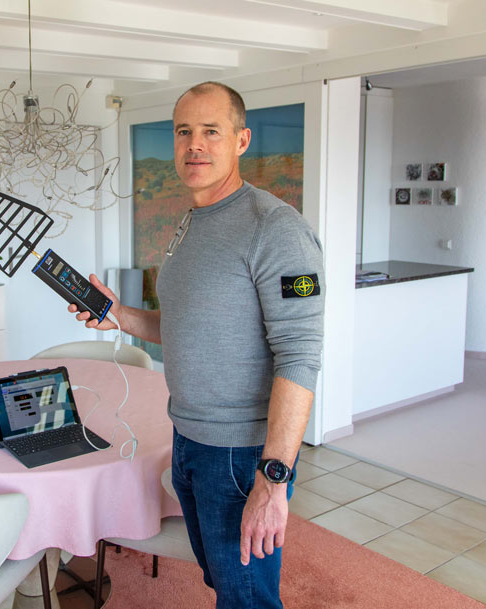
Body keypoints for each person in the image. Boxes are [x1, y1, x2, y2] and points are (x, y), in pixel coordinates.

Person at [69, 81, 324, 609]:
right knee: (224, 582)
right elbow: (183, 324)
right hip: (188, 438)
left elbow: (300, 354)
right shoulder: (192, 221)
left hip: (241, 453)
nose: (195, 145)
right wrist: (116, 314)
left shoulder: (275, 229)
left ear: (242, 140)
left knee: (247, 597)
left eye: (212, 131)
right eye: (184, 132)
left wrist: (274, 479)